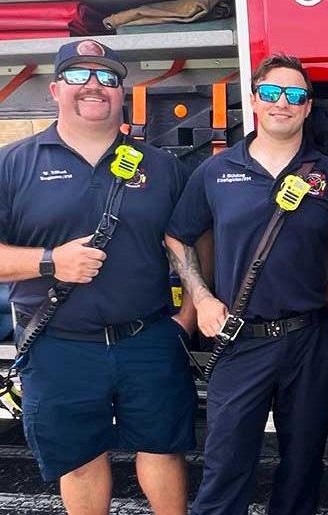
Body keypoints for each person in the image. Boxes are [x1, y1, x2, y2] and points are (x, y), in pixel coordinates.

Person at [0, 39, 196, 515]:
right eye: (78, 75)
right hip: (58, 344)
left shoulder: (161, 166)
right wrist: (50, 261)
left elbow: (190, 244)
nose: (93, 85)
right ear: (54, 90)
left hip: (148, 338)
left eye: (107, 77)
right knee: (80, 461)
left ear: (121, 93)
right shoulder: (12, 163)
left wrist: (187, 318)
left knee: (163, 451)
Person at [164, 53, 328, 515]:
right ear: (253, 100)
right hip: (240, 340)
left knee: (303, 467)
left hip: (312, 340)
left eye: (294, 95)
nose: (281, 102)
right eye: (271, 92)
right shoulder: (216, 171)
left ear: (308, 106)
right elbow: (178, 235)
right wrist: (202, 298)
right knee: (225, 466)